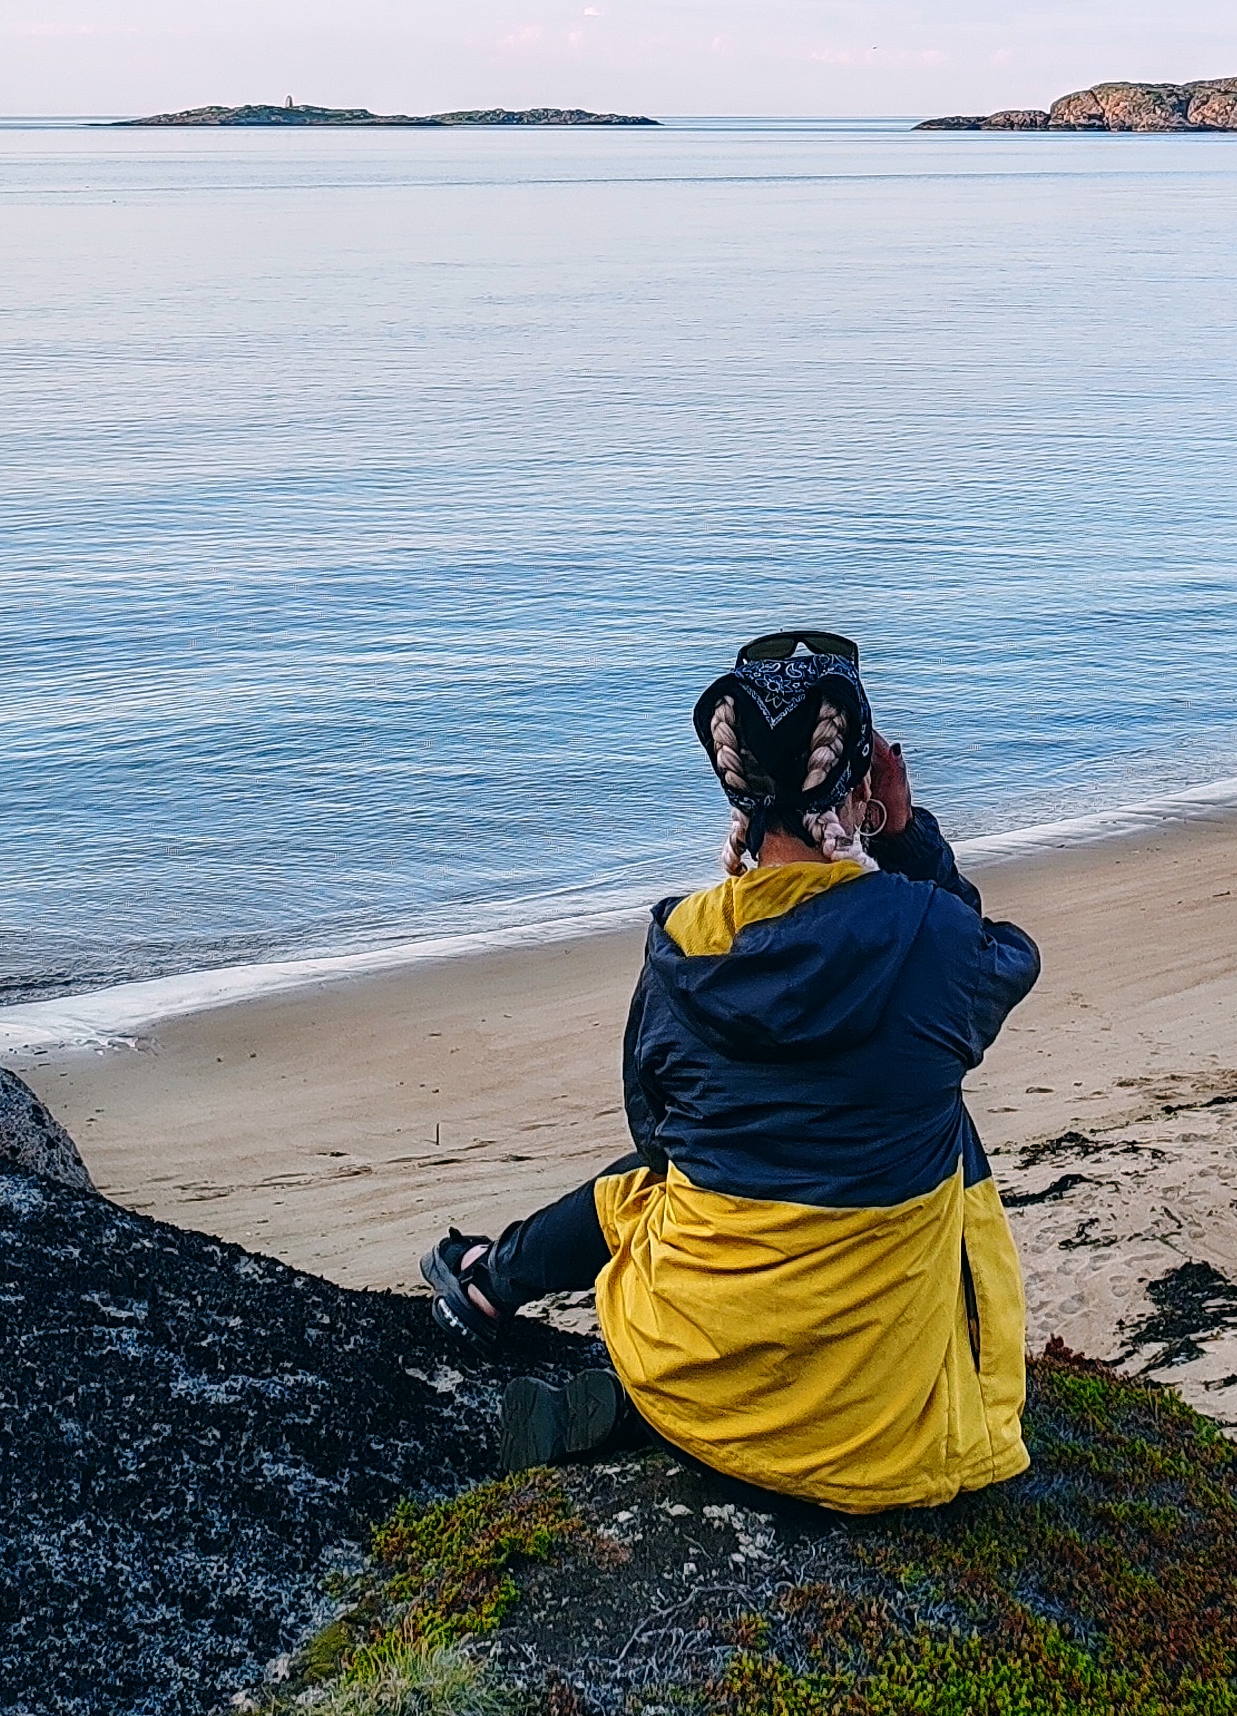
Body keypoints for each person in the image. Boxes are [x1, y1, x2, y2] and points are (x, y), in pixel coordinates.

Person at [423, 629, 1039, 1511]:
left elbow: (657, 1134)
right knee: (941, 1129)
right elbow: (996, 959)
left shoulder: (681, 942)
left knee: (661, 1182)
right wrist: (907, 841)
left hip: (692, 1373)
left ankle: (494, 1287)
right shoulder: (931, 936)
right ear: (862, 784)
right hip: (888, 1441)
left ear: (739, 796)